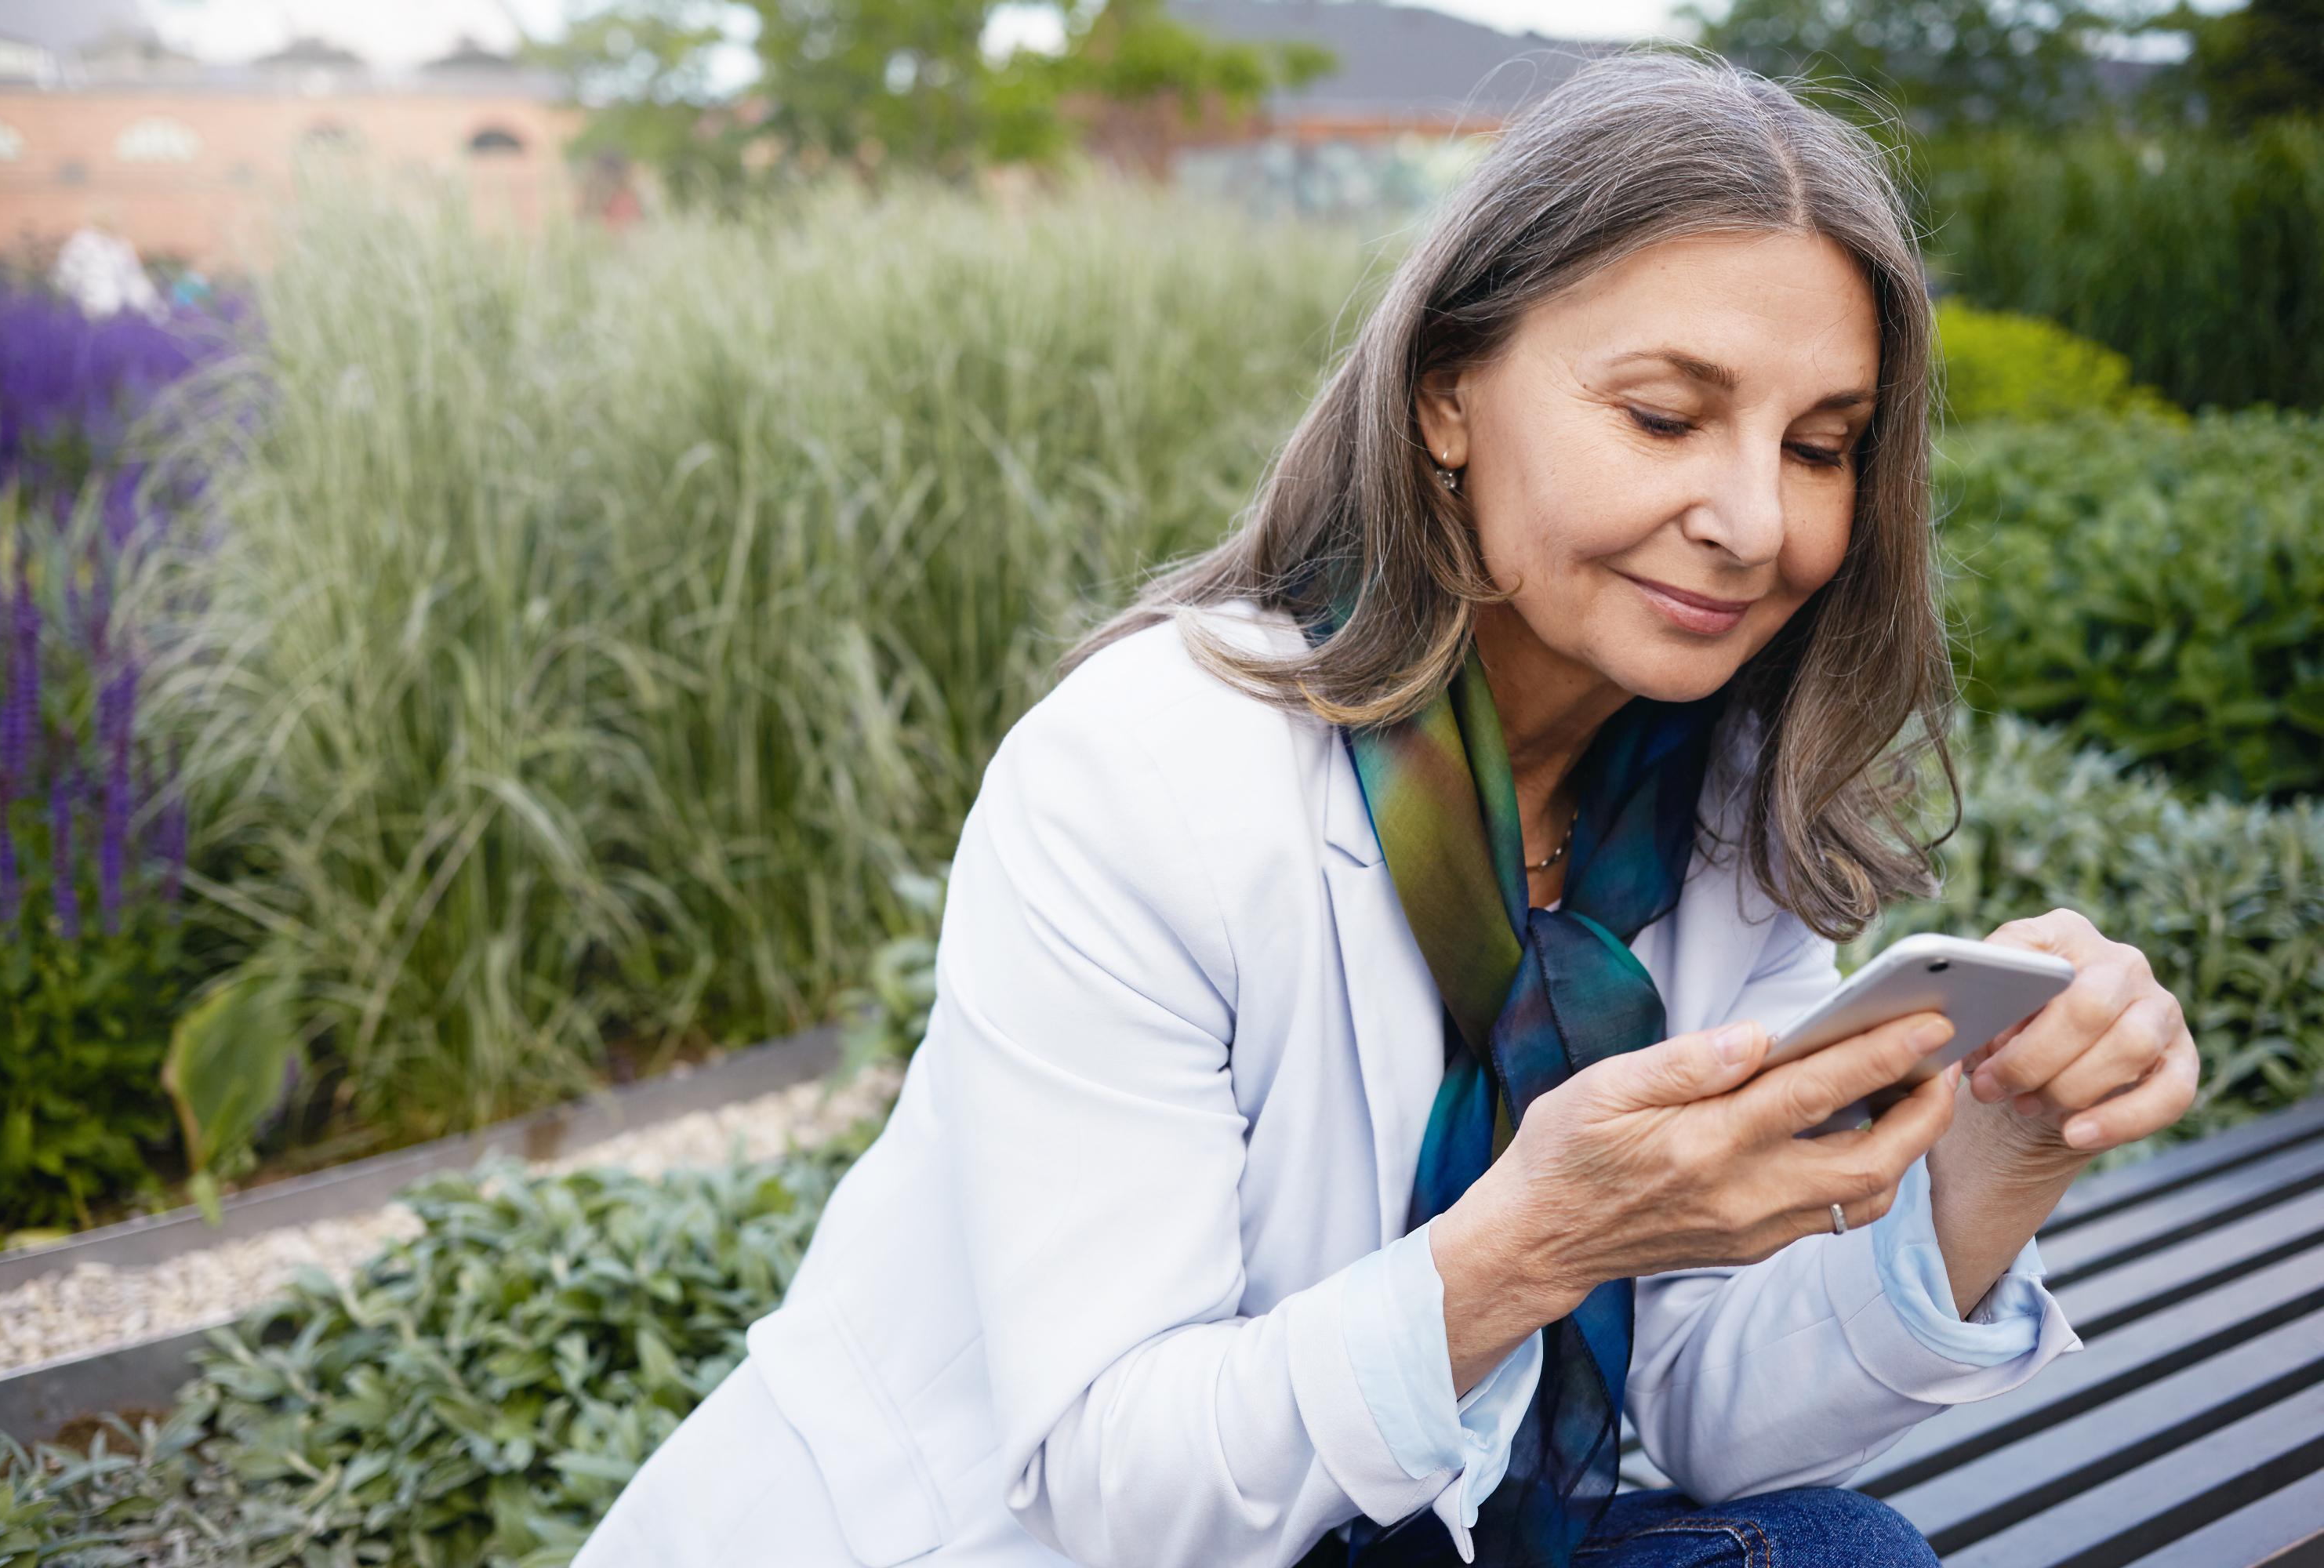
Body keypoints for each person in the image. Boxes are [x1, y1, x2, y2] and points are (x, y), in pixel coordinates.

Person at [574, 45, 2198, 1568]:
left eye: (1824, 444)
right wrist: (1529, 1245)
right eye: (1663, 416)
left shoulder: (1714, 821)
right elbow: (1124, 1482)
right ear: (1444, 395)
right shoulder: (1140, 777)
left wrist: (1998, 1155)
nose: (1754, 519)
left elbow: (1702, 1408)